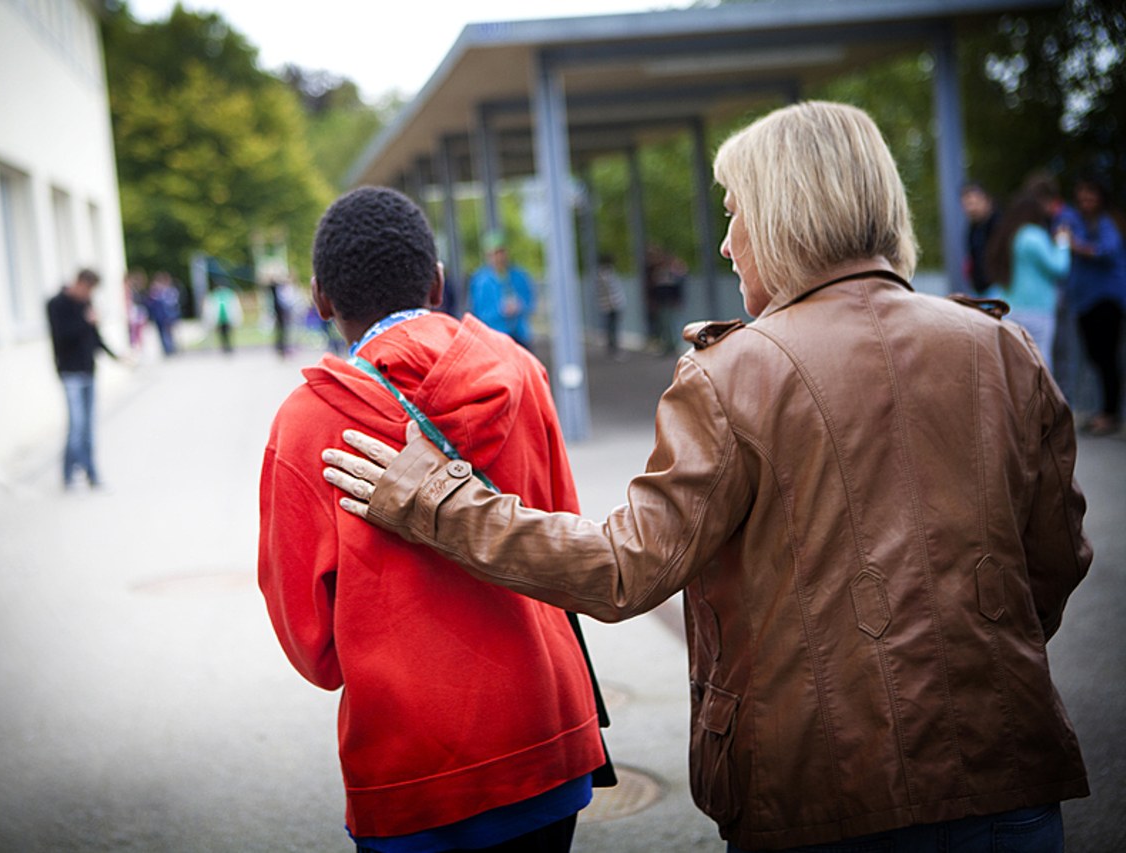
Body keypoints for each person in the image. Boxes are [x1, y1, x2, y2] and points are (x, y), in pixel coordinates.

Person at [322, 103, 1092, 852]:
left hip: (823, 790)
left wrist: (439, 500)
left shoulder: (737, 372)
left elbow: (622, 571)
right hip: (1010, 778)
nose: (726, 244)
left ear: (787, 214)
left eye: (735, 212)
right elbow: (1054, 561)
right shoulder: (1002, 349)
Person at [258, 186, 610, 853]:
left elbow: (312, 645)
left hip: (411, 764)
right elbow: (563, 534)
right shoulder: (522, 372)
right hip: (545, 730)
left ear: (320, 299)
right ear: (440, 282)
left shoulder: (306, 425)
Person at [1065, 177, 1126, 436]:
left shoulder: (1107, 222)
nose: (1085, 201)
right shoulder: (1079, 222)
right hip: (1085, 300)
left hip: (1106, 299)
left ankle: (1110, 414)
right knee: (1095, 357)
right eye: (1082, 196)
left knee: (1106, 358)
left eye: (1090, 195)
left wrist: (1075, 246)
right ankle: (1102, 411)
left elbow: (1106, 251)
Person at [46, 268, 117, 490]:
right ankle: (72, 475)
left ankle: (90, 474)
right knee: (76, 427)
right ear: (79, 283)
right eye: (88, 289)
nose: (89, 294)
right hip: (70, 373)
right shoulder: (57, 304)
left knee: (87, 429)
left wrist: (117, 356)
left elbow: (95, 338)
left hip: (89, 371)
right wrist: (86, 321)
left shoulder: (87, 304)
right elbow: (62, 337)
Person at [984, 191, 1070, 366]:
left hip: (1011, 309)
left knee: (1016, 366)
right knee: (1041, 364)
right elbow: (1059, 268)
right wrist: (1063, 242)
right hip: (1037, 311)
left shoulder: (1008, 236)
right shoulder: (1033, 236)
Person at [467, 230, 535, 348]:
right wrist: (500, 310)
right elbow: (478, 311)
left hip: (520, 335)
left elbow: (530, 301)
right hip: (495, 337)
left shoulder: (519, 276)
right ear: (487, 255)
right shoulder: (481, 281)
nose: (498, 257)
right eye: (494, 253)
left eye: (501, 252)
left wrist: (519, 306)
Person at [960, 182, 999, 295]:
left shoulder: (998, 224)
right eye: (967, 204)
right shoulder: (972, 228)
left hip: (996, 286)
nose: (970, 208)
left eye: (973, 203)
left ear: (986, 200)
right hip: (979, 288)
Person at [594, 253, 627, 359]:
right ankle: (614, 349)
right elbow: (611, 291)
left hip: (606, 305)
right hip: (613, 305)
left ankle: (612, 348)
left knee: (610, 327)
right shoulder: (607, 274)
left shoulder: (599, 274)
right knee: (613, 328)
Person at [202, 280, 243, 355]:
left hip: (228, 318)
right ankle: (224, 348)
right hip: (218, 319)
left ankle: (229, 347)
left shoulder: (229, 294)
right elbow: (210, 308)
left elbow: (235, 307)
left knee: (228, 333)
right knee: (221, 334)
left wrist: (237, 318)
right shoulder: (214, 295)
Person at [146, 271, 180, 356]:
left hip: (168, 316)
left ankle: (170, 349)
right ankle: (167, 350)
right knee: (162, 334)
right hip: (159, 317)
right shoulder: (155, 293)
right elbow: (150, 304)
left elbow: (172, 304)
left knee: (168, 333)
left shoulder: (169, 291)